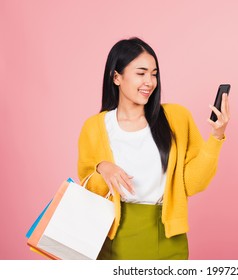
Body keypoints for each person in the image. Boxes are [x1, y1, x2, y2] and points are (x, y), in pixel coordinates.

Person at [77, 37, 230, 260]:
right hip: (113, 237)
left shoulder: (176, 117)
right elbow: (88, 190)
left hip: (168, 236)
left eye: (154, 73)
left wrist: (216, 137)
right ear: (116, 77)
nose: (150, 81)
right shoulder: (95, 127)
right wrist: (103, 168)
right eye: (141, 73)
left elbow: (194, 183)